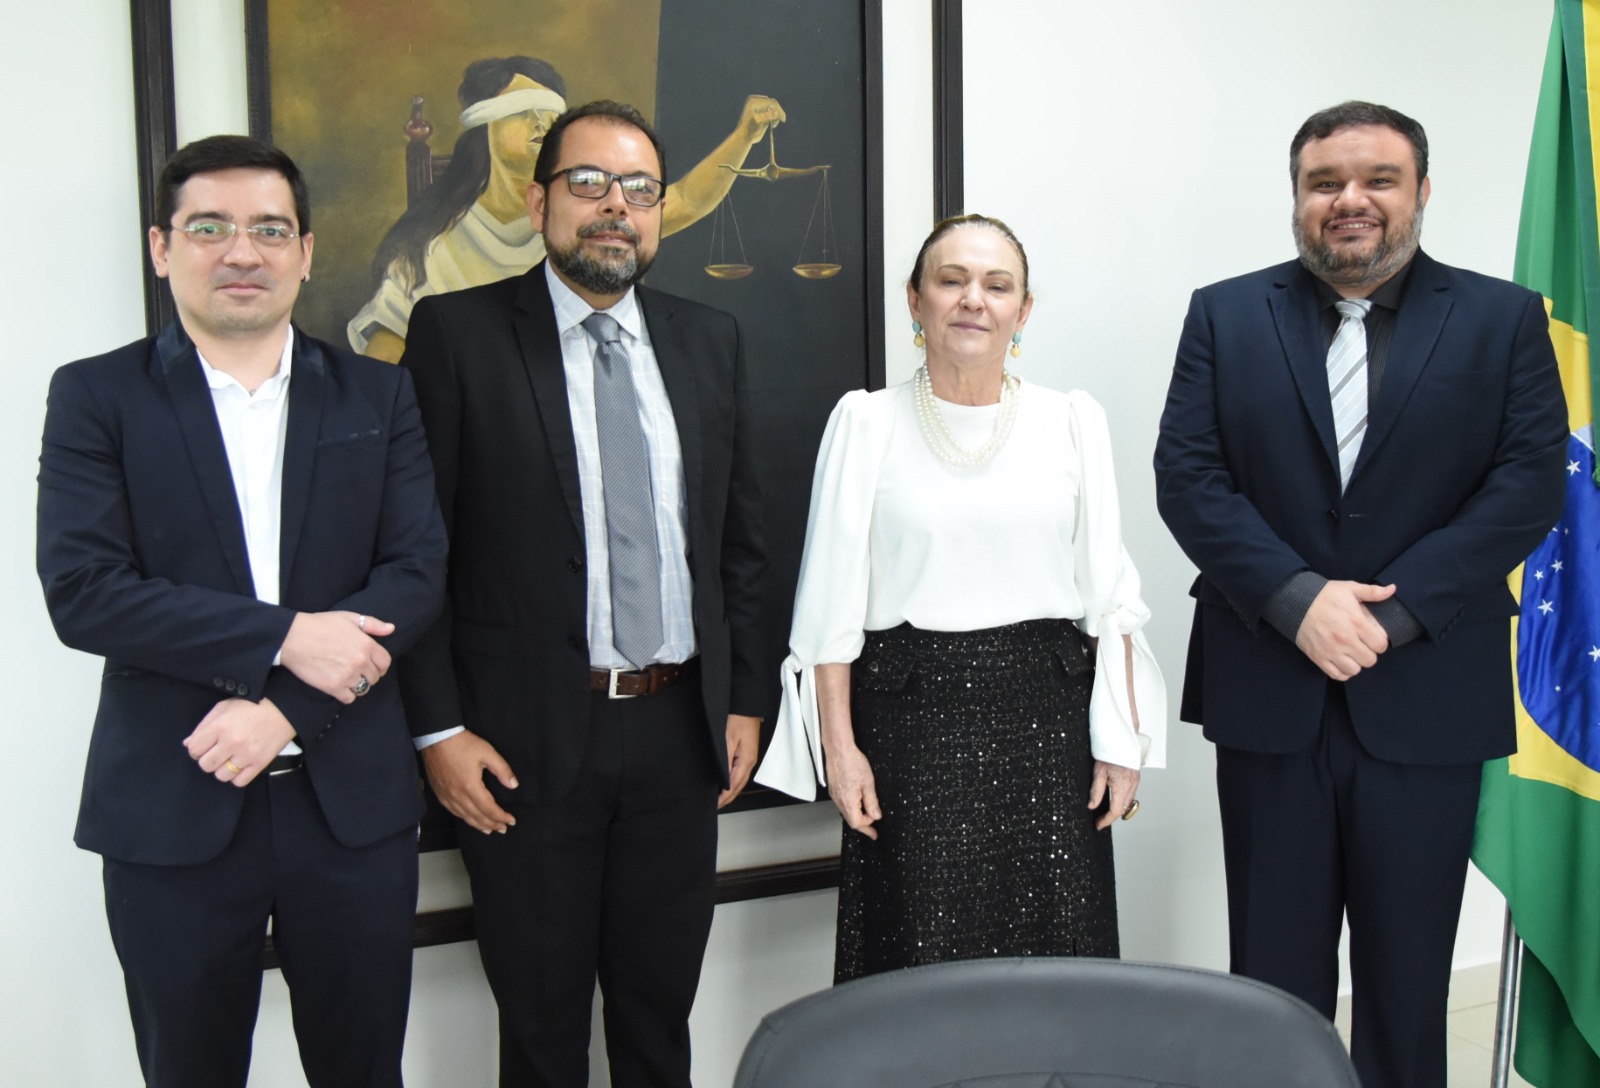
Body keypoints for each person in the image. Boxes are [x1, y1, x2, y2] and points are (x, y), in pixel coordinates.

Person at [1153, 102, 1567, 1088]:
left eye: (1377, 178)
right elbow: (1189, 474)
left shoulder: (1503, 318)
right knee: (1271, 978)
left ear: (1420, 192)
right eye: (1322, 181)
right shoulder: (1224, 312)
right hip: (1267, 684)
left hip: (1426, 684)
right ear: (1296, 199)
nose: (1349, 200)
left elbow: (1526, 483)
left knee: (1407, 977)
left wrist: (1387, 609)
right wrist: (1297, 598)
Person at [36, 135, 448, 1088]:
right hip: (174, 807)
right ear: (161, 247)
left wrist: (281, 712)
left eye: (269, 230)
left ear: (305, 251)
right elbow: (85, 593)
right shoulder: (98, 396)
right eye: (208, 228)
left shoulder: (378, 395)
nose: (241, 252)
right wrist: (289, 637)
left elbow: (415, 575)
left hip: (349, 809)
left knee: (363, 1072)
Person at [397, 100, 767, 1087]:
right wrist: (435, 730)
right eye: (589, 183)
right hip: (522, 745)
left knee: (657, 1024)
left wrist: (745, 697)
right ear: (537, 199)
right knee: (543, 1032)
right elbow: (413, 554)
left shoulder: (708, 339)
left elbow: (741, 542)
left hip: (678, 740)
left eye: (638, 188)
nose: (616, 206)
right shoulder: (457, 334)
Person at [757, 214, 1167, 982]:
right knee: (918, 954)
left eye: (996, 284)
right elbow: (830, 612)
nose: (973, 299)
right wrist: (840, 750)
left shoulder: (1072, 420)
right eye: (951, 281)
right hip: (910, 724)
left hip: (1048, 719)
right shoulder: (865, 422)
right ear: (916, 302)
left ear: (1024, 310)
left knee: (1055, 950)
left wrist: (1123, 739)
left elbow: (1109, 596)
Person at [349, 53, 786, 361]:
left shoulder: (584, 222)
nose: (540, 123)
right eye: (523, 112)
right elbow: (384, 361)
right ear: (486, 125)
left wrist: (744, 136)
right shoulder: (433, 249)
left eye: (547, 112)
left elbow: (687, 199)